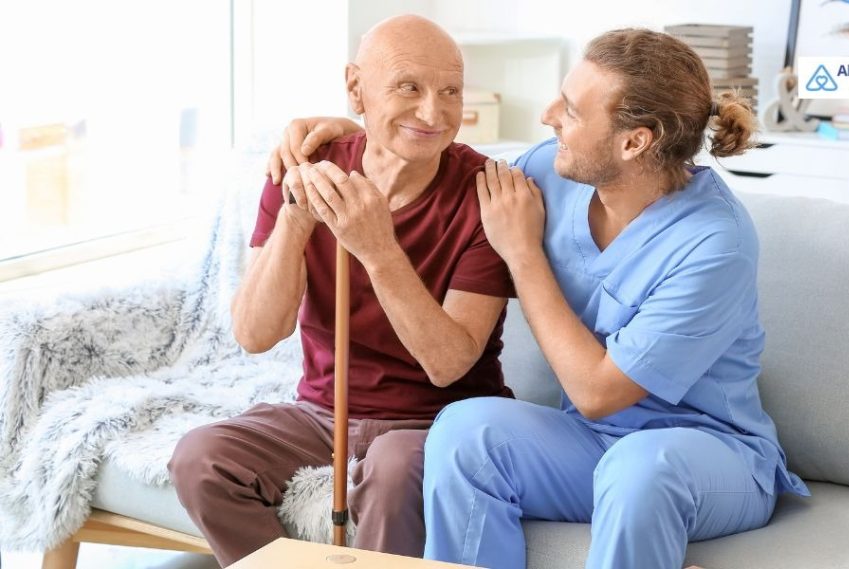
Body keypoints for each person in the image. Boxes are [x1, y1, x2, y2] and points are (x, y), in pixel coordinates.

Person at [271, 27, 809, 569]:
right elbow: (449, 161)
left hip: (710, 455)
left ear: (634, 142)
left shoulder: (716, 244)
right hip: (587, 441)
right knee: (464, 432)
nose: (549, 114)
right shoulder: (554, 174)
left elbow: (599, 392)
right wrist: (352, 131)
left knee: (643, 468)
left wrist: (524, 256)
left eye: (572, 110)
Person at [167, 15, 516, 567]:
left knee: (396, 467)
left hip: (440, 419)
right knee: (201, 457)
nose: (434, 112)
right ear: (356, 89)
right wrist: (296, 220)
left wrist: (376, 248)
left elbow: (449, 364)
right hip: (321, 413)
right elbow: (254, 333)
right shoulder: (306, 166)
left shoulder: (488, 196)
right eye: (409, 87)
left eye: (450, 91)